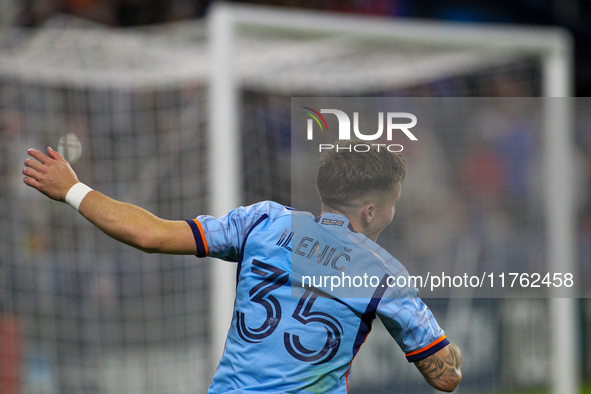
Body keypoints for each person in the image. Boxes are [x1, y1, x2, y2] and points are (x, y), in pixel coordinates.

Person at [23, 140, 462, 393]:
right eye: (392, 206)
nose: (393, 214)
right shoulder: (384, 275)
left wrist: (73, 190)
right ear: (370, 211)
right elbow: (446, 378)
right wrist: (439, 343)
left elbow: (151, 235)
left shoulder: (263, 221)